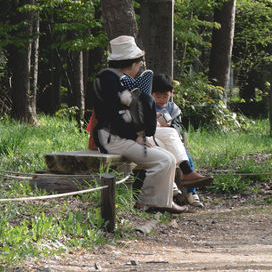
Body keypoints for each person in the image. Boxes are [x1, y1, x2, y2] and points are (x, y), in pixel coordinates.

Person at [90, 35, 186, 214]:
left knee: (169, 158)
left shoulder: (122, 81)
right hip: (112, 138)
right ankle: (146, 202)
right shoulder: (109, 82)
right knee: (163, 160)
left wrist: (146, 98)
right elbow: (113, 117)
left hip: (122, 135)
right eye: (139, 62)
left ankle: (162, 201)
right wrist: (135, 137)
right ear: (132, 63)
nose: (140, 66)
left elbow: (145, 124)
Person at [151, 73, 213, 208]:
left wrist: (170, 125)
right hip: (155, 141)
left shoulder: (173, 109)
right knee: (169, 154)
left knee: (187, 158)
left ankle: (192, 193)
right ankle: (173, 186)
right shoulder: (147, 106)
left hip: (171, 141)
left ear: (171, 93)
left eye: (165, 96)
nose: (161, 100)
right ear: (151, 93)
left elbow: (177, 129)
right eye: (158, 96)